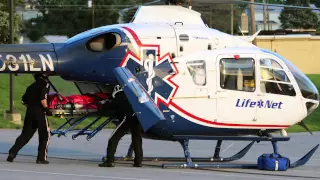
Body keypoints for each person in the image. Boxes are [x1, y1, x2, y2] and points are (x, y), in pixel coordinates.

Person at [7, 73, 53, 164]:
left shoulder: (30, 87)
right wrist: (47, 109)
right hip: (40, 113)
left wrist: (32, 106)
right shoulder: (45, 84)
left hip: (29, 113)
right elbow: (43, 98)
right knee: (44, 135)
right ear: (44, 77)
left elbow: (23, 100)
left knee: (25, 135)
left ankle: (12, 153)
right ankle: (41, 158)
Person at [99, 85, 143, 168]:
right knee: (136, 139)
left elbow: (105, 110)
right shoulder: (132, 96)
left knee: (113, 138)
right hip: (137, 119)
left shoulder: (119, 98)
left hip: (126, 120)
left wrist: (103, 104)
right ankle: (138, 162)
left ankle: (110, 161)